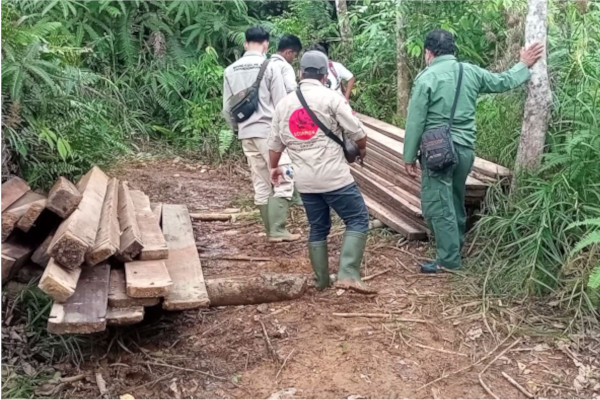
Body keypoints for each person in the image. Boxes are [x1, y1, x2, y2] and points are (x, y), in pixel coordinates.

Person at [403, 29, 544, 273]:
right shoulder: (470, 72)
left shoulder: (426, 78)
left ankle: (448, 260)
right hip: (465, 149)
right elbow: (504, 82)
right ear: (452, 50)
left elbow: (415, 120)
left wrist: (408, 156)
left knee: (439, 203)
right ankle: (456, 245)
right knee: (456, 198)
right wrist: (523, 64)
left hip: (437, 151)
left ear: (428, 53)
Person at [268, 50, 375, 294]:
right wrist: (361, 151)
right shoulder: (331, 98)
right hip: (335, 178)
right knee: (358, 219)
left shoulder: (284, 105)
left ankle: (322, 279)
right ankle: (348, 273)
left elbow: (274, 146)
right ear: (325, 74)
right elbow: (359, 134)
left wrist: (273, 168)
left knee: (318, 227)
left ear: (300, 73)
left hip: (305, 182)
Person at [223, 26, 300, 242]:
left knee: (261, 182)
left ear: (246, 43)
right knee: (284, 179)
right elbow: (281, 104)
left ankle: (270, 230)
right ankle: (277, 230)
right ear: (266, 44)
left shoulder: (230, 70)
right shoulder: (270, 66)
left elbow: (227, 109)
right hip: (269, 133)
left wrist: (239, 130)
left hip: (246, 134)